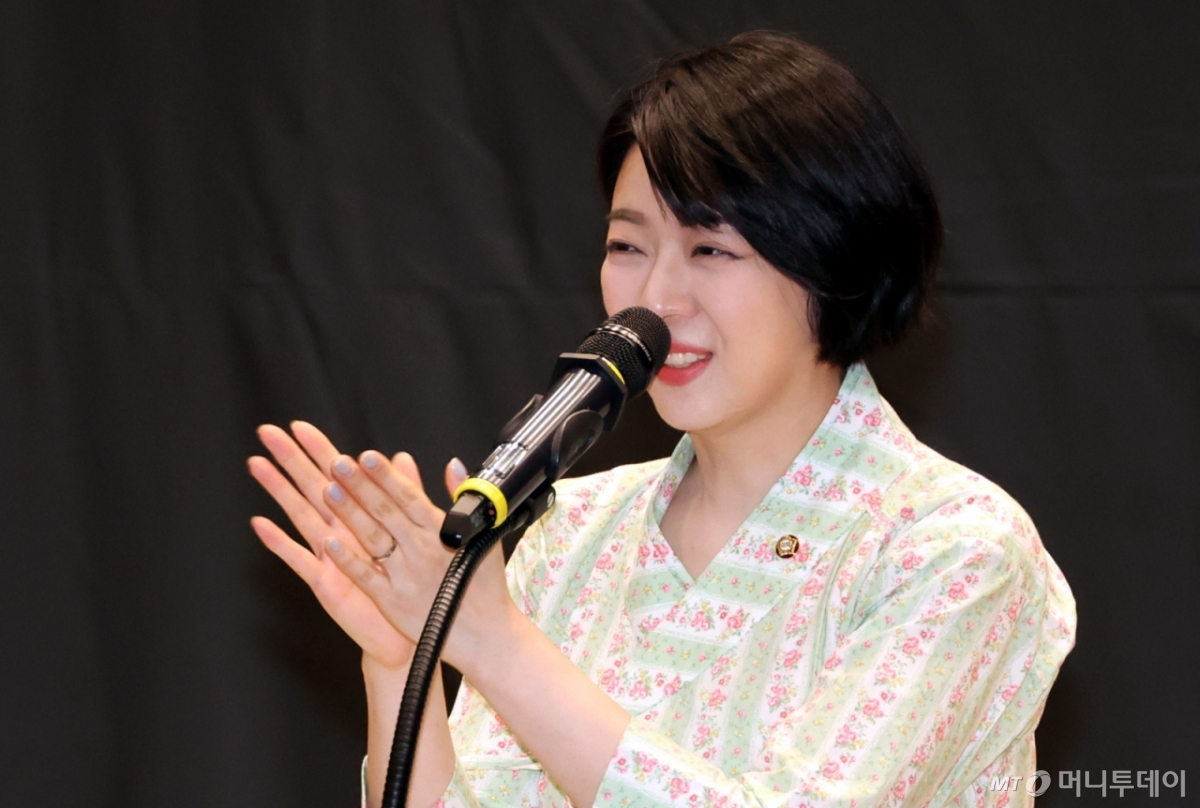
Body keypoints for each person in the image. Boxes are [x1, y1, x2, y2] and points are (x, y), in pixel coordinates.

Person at [248, 31, 1075, 808]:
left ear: (835, 262)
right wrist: (402, 663)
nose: (654, 302)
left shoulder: (950, 549)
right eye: (627, 246)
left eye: (711, 250)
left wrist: (496, 643)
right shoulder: (572, 530)